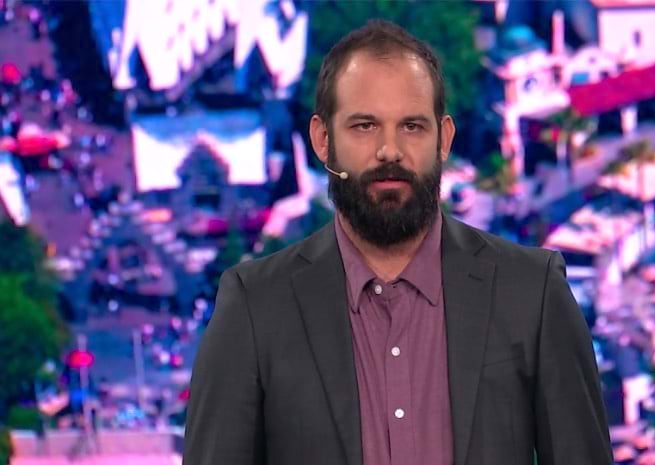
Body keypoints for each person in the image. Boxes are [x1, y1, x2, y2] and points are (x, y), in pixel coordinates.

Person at [183, 20, 612, 465]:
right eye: (364, 126)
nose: (389, 150)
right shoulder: (254, 306)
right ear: (323, 140)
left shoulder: (532, 293)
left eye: (411, 126)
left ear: (444, 139)